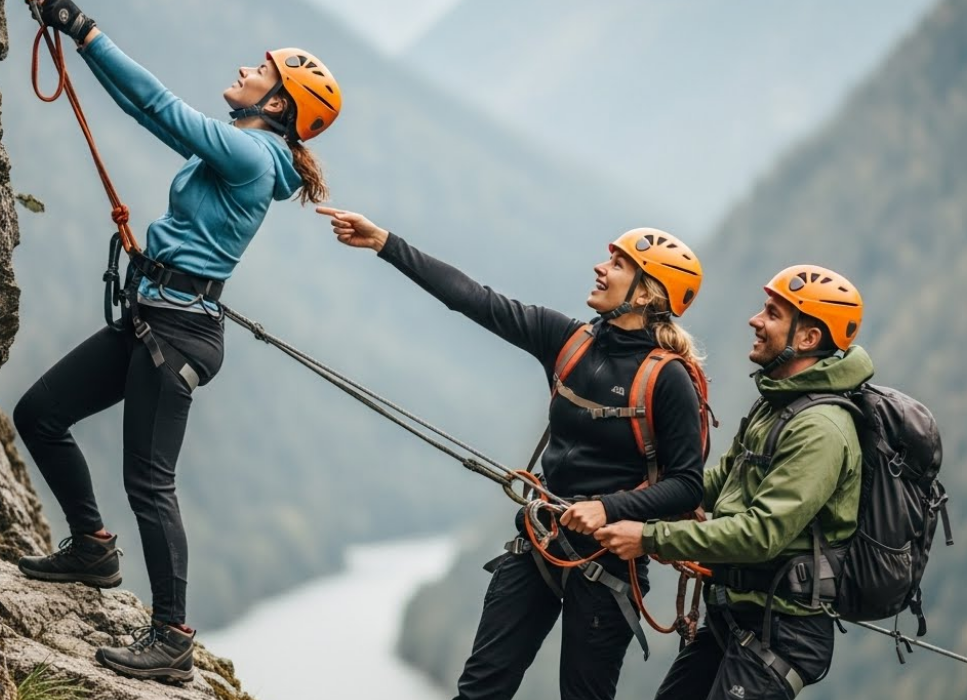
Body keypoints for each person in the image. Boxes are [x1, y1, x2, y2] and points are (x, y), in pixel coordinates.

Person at [10, 0, 340, 683]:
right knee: (39, 414)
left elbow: (156, 107)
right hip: (157, 318)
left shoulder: (253, 151)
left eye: (261, 70)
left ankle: (171, 636)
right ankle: (94, 549)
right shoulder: (251, 151)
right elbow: (154, 115)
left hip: (177, 334)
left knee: (149, 483)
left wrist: (81, 29)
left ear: (278, 102)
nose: (245, 69)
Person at [319, 207, 708, 700]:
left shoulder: (668, 379)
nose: (600, 267)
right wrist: (385, 242)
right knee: (481, 688)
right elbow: (475, 300)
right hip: (541, 542)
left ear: (647, 292)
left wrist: (608, 507)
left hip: (610, 563)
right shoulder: (568, 341)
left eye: (617, 264)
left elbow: (686, 486)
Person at [595, 265, 874, 700]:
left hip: (782, 633)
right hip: (739, 618)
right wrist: (625, 501)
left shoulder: (820, 429)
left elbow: (762, 534)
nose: (755, 321)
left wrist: (649, 537)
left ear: (807, 338)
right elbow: (719, 483)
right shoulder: (777, 405)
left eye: (773, 314)